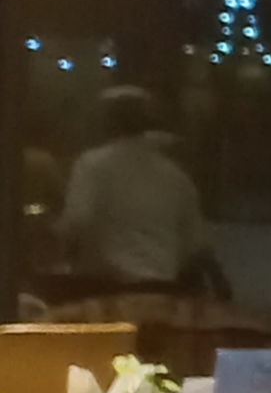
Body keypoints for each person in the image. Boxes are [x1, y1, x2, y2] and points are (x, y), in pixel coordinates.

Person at [55, 86, 215, 293]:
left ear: (107, 121)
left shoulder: (91, 164)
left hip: (105, 287)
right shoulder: (175, 174)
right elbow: (194, 241)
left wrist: (60, 241)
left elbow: (78, 220)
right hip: (162, 287)